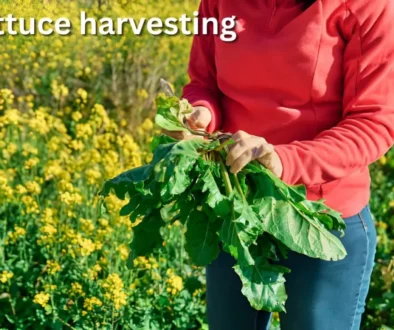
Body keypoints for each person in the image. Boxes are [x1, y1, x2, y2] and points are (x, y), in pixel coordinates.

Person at [165, 0, 394, 329]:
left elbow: (373, 123)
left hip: (319, 216)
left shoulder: (367, 6)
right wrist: (200, 115)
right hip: (236, 207)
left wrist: (284, 159)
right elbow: (204, 83)